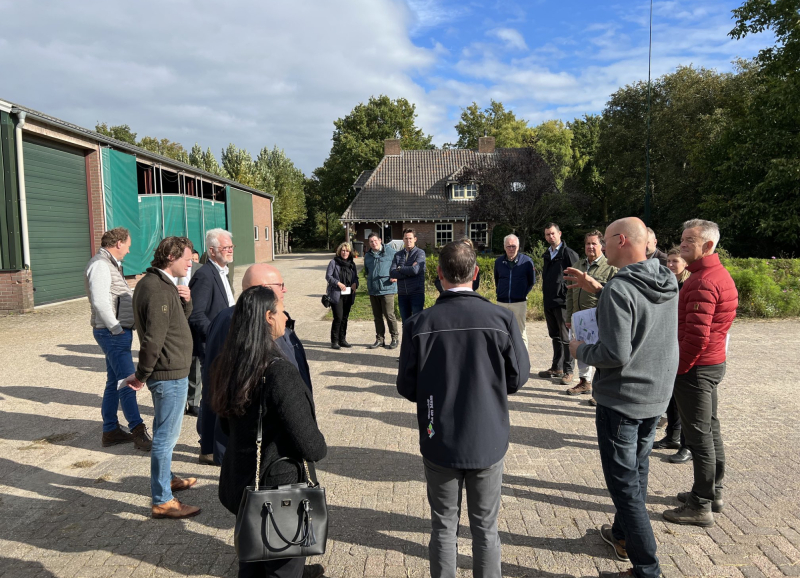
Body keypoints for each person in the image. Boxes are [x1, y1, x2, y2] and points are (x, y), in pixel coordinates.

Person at [397, 241, 530, 578]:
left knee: (443, 527)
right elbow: (518, 378)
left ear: (438, 274)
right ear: (477, 273)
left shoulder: (418, 324)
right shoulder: (501, 318)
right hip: (488, 439)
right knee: (486, 528)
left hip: (438, 436)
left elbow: (406, 387)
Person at [567, 217, 679, 578]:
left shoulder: (620, 289)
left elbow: (615, 353)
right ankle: (621, 536)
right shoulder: (666, 279)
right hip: (655, 396)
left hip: (623, 401)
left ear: (619, 240)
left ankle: (647, 568)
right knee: (638, 470)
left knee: (624, 487)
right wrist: (598, 288)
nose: (600, 244)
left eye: (605, 240)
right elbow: (635, 303)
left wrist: (580, 350)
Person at [213, 286, 327, 578]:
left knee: (251, 559)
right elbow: (312, 447)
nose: (285, 317)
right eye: (280, 310)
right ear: (267, 317)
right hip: (278, 494)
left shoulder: (227, 364)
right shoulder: (278, 373)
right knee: (280, 566)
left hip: (242, 482)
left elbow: (226, 427)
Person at [663, 219, 738, 527]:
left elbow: (696, 337)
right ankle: (712, 492)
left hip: (696, 369)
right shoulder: (713, 274)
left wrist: (677, 370)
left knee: (699, 437)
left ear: (708, 245)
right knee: (711, 429)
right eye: (682, 239)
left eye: (689, 241)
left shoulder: (703, 281)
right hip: (710, 364)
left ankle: (700, 504)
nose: (682, 245)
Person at [203, 263, 312, 465]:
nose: (285, 289)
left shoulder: (275, 319)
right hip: (260, 448)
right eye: (280, 284)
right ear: (262, 288)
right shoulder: (234, 322)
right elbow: (222, 385)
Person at [125, 236, 200, 520]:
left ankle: (166, 479)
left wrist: (187, 302)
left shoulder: (163, 285)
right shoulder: (156, 289)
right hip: (168, 376)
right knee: (166, 439)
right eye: (187, 258)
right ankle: (163, 500)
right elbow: (154, 339)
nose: (191, 262)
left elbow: (175, 324)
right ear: (170, 256)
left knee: (163, 432)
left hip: (171, 373)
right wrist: (142, 374)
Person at [84, 227, 152, 451]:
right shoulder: (100, 265)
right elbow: (100, 301)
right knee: (127, 382)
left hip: (116, 332)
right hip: (113, 333)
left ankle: (110, 430)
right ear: (119, 243)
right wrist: (116, 329)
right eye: (129, 245)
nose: (129, 250)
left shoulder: (109, 264)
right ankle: (138, 430)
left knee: (114, 382)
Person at [189, 228, 237, 465]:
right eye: (226, 248)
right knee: (211, 399)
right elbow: (196, 315)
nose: (230, 251)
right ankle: (207, 448)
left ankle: (218, 444)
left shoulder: (224, 272)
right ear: (211, 251)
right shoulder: (205, 275)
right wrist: (217, 335)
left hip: (227, 344)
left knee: (220, 396)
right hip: (213, 347)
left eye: (231, 247)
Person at [564, 230, 617, 395]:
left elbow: (612, 294)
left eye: (594, 243)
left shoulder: (610, 267)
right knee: (581, 350)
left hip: (599, 318)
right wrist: (569, 316)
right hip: (579, 318)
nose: (590, 247)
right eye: (588, 243)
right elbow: (570, 293)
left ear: (602, 245)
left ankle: (601, 388)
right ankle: (584, 382)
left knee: (599, 353)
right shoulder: (578, 265)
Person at [653, 247, 693, 463]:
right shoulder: (668, 284)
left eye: (675, 261)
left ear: (685, 263)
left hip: (682, 345)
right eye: (667, 261)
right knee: (671, 396)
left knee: (685, 401)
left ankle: (688, 446)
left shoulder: (688, 285)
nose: (669, 265)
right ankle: (672, 436)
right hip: (667, 343)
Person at [538, 223, 579, 383]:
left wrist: (571, 300)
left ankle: (568, 371)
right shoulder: (547, 254)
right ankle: (557, 367)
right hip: (549, 301)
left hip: (563, 303)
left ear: (560, 234)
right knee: (554, 336)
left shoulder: (568, 253)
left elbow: (576, 278)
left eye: (553, 233)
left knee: (566, 338)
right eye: (547, 234)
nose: (550, 237)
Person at [493, 234, 535, 351]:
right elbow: (497, 279)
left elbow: (531, 281)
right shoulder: (499, 262)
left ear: (518, 246)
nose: (511, 249)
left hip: (519, 303)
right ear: (504, 247)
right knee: (502, 332)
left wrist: (522, 294)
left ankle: (523, 361)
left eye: (513, 246)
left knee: (520, 332)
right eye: (508, 246)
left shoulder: (526, 262)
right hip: (502, 302)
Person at [363, 232, 399, 349]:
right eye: (371, 242)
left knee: (389, 315)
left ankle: (395, 338)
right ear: (369, 243)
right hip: (373, 289)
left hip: (387, 288)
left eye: (375, 240)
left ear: (380, 240)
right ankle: (380, 339)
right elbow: (367, 271)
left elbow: (399, 266)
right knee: (377, 316)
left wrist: (397, 275)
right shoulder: (368, 256)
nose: (374, 243)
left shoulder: (391, 252)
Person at [325, 242, 358, 349]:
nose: (345, 252)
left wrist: (355, 284)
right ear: (339, 251)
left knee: (345, 317)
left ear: (350, 252)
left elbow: (356, 278)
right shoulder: (333, 262)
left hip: (348, 294)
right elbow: (328, 276)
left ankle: (342, 339)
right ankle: (334, 341)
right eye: (343, 250)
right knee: (338, 317)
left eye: (347, 251)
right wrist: (338, 283)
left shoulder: (352, 264)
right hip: (336, 294)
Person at [390, 228, 426, 324]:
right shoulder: (398, 255)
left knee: (417, 323)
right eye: (406, 238)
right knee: (405, 323)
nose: (408, 241)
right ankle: (406, 340)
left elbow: (415, 270)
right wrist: (409, 271)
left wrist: (400, 268)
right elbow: (392, 273)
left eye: (410, 238)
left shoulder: (420, 253)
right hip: (402, 294)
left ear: (415, 239)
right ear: (403, 239)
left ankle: (416, 340)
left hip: (416, 293)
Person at [184, 249, 202, 416]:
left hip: (195, 322)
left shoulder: (201, 270)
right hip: (179, 323)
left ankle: (193, 401)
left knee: (195, 364)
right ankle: (181, 402)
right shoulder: (171, 272)